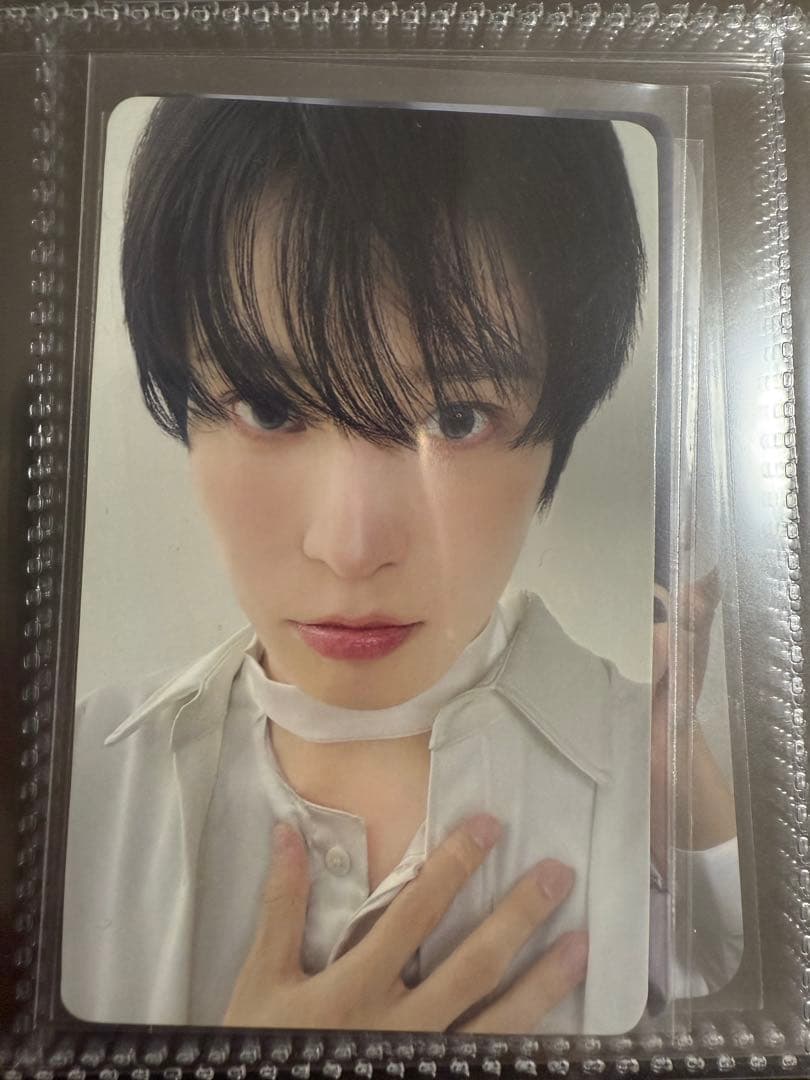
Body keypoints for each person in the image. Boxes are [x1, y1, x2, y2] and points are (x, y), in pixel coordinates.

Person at [62, 99, 742, 1034]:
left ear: (558, 426)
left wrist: (697, 813)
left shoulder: (651, 774)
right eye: (268, 407)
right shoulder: (69, 776)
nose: (350, 548)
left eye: (456, 419)